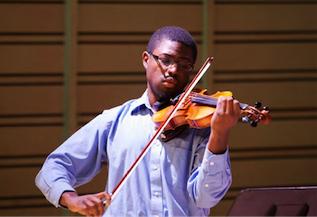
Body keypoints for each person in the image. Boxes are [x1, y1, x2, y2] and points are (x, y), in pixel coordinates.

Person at [35, 26, 241, 217]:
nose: (173, 70)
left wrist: (220, 134)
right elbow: (55, 166)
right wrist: (71, 199)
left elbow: (207, 197)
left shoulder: (202, 130)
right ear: (145, 59)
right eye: (166, 60)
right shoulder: (114, 121)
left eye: (184, 65)